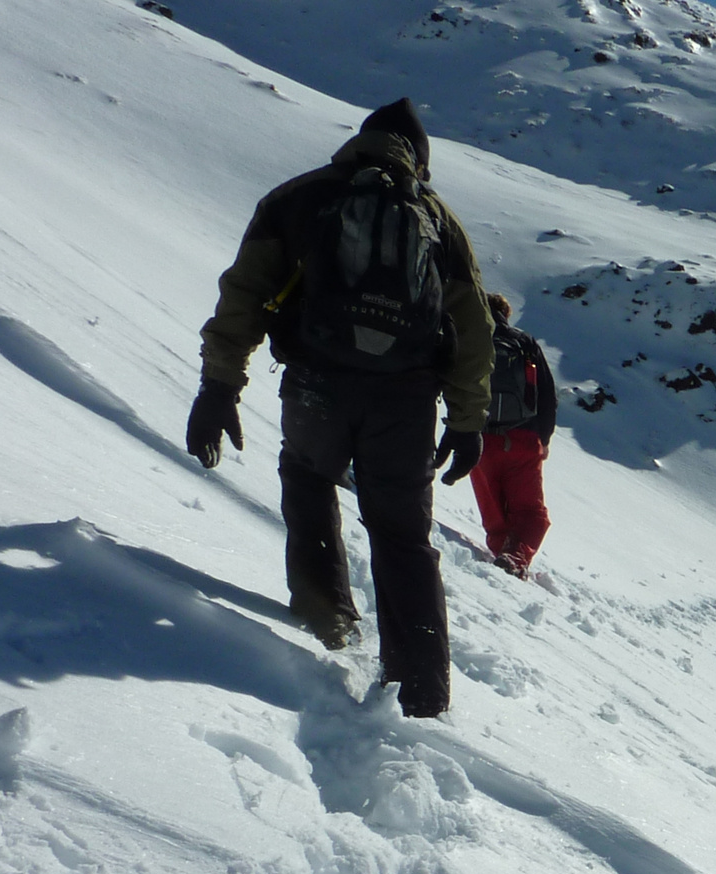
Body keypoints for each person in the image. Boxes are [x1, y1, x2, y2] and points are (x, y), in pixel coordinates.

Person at [185, 98, 495, 718]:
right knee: (405, 538)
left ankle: (325, 624)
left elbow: (243, 294)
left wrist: (219, 386)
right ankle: (422, 696)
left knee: (307, 477)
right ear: (419, 161)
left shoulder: (297, 199)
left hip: (316, 384)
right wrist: (467, 421)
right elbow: (476, 328)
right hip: (405, 401)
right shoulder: (437, 220)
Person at [468, 293, 557, 578]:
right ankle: (514, 560)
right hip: (523, 439)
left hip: (479, 437)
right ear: (505, 313)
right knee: (531, 512)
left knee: (495, 516)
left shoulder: (471, 337)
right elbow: (547, 395)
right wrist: (543, 438)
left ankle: (503, 559)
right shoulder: (525, 342)